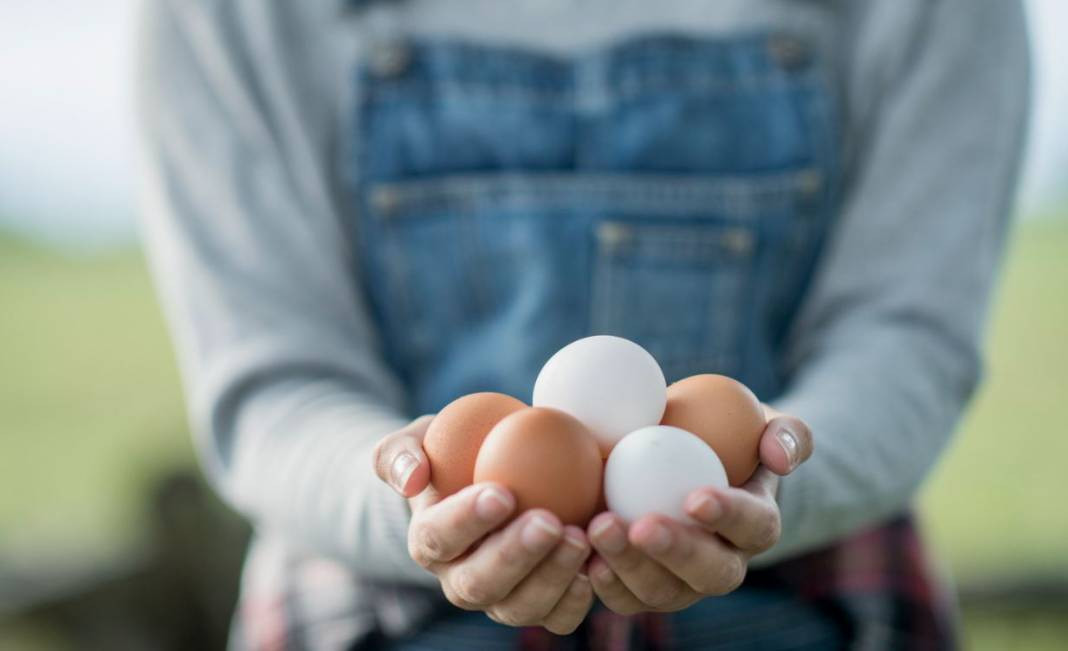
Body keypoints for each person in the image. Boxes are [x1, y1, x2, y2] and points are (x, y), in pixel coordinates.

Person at [137, 0, 1029, 648]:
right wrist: (420, 499)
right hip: (378, 610)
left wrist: (771, 475)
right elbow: (278, 383)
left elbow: (902, 333)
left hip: (808, 594)